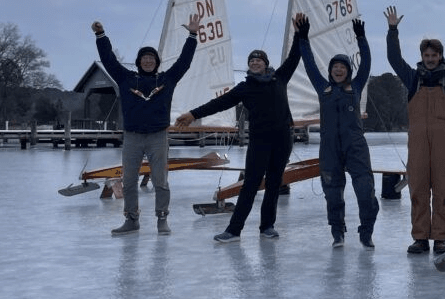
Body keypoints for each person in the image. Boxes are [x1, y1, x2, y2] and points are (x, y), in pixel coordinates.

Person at [174, 18, 304, 243]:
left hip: (282, 139)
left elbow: (294, 57)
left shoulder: (279, 78)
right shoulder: (245, 88)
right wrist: (193, 114)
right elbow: (219, 103)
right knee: (250, 185)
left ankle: (267, 227)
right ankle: (234, 230)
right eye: (251, 61)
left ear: (265, 63)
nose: (255, 63)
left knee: (274, 184)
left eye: (258, 60)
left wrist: (300, 34)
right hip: (260, 141)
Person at [385, 3, 445, 255]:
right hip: (417, 143)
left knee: (441, 190)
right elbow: (394, 59)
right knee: (417, 189)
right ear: (422, 56)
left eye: (434, 56)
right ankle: (420, 238)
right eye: (426, 56)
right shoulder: (411, 77)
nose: (430, 59)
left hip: (444, 143)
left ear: (440, 56)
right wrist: (392, 30)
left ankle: (439, 238)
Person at [92, 13, 201, 236]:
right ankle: (132, 220)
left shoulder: (167, 79)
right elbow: (109, 60)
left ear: (157, 62)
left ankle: (162, 219)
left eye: (152, 58)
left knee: (160, 181)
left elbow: (184, 62)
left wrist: (192, 35)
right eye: (145, 58)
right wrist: (101, 35)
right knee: (130, 181)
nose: (148, 61)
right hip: (132, 137)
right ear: (139, 61)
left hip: (158, 136)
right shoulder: (126, 79)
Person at [298, 14, 380, 249]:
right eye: (335, 67)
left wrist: (361, 38)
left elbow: (366, 63)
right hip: (330, 148)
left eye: (342, 67)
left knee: (365, 192)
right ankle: (338, 233)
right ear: (330, 70)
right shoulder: (322, 86)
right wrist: (303, 38)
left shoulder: (356, 85)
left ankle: (366, 232)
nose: (338, 70)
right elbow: (309, 63)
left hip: (355, 147)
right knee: (333, 193)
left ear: (348, 71)